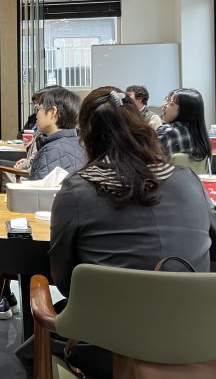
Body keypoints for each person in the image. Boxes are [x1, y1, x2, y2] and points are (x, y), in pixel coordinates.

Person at [49, 87, 216, 378]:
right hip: (193, 341)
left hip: (108, 345)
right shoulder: (188, 179)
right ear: (141, 126)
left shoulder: (77, 189)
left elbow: (64, 280)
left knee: (30, 349)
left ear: (85, 136)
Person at [0, 86, 86, 320]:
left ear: (54, 113)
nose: (36, 113)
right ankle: (2, 296)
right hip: (62, 230)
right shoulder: (73, 142)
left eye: (39, 109)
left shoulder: (53, 150)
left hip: (43, 237)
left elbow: (34, 204)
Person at [157, 88, 210, 163]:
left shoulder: (167, 132)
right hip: (194, 175)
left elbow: (147, 162)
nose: (164, 106)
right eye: (166, 101)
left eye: (170, 103)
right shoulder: (202, 137)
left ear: (184, 111)